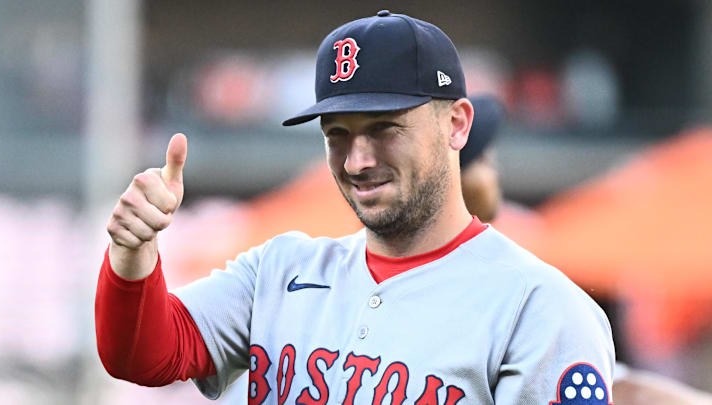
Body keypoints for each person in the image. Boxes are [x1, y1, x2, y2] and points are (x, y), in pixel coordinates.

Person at [96, 11, 615, 404]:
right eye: (337, 135)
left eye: (384, 129)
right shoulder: (278, 271)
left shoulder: (541, 308)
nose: (357, 161)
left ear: (457, 124)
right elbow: (143, 354)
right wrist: (132, 252)